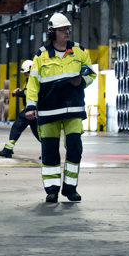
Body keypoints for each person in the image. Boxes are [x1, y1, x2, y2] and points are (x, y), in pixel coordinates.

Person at [25, 12, 96, 203]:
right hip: (48, 111)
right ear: (52, 33)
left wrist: (81, 80)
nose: (67, 32)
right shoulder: (41, 56)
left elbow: (91, 73)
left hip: (73, 109)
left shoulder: (79, 51)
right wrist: (30, 106)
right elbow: (33, 84)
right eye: (62, 29)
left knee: (75, 148)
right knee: (49, 152)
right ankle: (52, 190)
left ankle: (70, 188)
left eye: (68, 29)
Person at [0, 60, 39, 157]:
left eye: (26, 72)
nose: (24, 74)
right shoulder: (30, 79)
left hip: (32, 110)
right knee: (38, 132)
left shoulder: (35, 79)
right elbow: (28, 91)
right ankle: (48, 152)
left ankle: (7, 149)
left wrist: (17, 93)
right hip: (33, 110)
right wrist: (21, 91)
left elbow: (29, 93)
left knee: (17, 126)